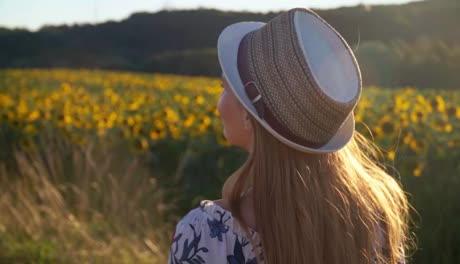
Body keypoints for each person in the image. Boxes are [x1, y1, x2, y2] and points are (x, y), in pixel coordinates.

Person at [168, 7, 412, 264]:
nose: (218, 104)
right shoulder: (374, 219)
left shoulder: (207, 235)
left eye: (224, 87)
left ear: (250, 114)